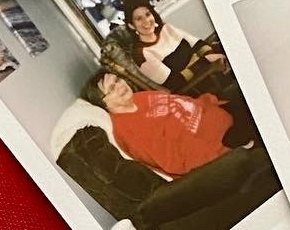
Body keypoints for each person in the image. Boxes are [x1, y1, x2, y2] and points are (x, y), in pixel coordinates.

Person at [83, 69, 232, 177]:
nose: (120, 85)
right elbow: (175, 160)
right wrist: (225, 155)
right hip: (221, 145)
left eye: (117, 80)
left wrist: (210, 103)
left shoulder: (139, 97)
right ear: (103, 104)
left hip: (214, 109)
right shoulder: (128, 132)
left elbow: (179, 101)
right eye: (111, 88)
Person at [126, 3, 228, 87]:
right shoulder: (141, 54)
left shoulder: (166, 28)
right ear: (131, 25)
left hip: (211, 70)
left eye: (148, 14)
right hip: (195, 87)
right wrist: (206, 61)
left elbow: (198, 44)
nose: (146, 21)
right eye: (139, 19)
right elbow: (173, 82)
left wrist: (212, 58)